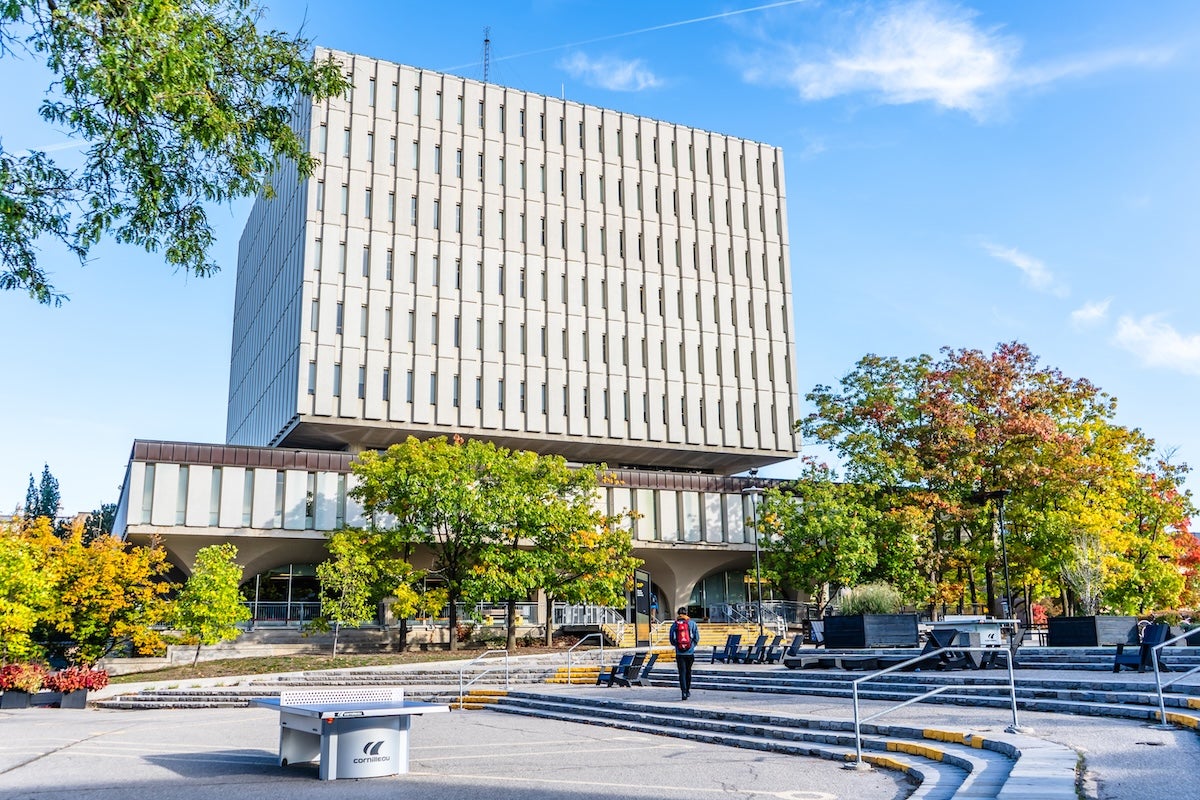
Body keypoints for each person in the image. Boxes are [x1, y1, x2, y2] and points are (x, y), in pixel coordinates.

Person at [668, 607, 699, 700]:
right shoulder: (692, 623)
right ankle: (688, 690)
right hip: (690, 653)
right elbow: (696, 637)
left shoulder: (675, 625)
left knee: (682, 673)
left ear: (678, 614)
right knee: (688, 671)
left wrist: (677, 645)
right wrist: (692, 646)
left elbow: (671, 639)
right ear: (686, 613)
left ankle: (683, 692)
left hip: (679, 653)